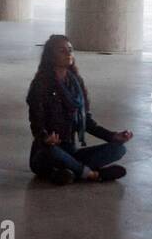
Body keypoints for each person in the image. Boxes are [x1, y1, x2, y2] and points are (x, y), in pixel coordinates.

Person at [26, 34, 133, 184]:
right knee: (53, 153)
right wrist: (46, 138)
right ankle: (93, 175)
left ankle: (68, 173)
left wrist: (113, 136)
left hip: (70, 151)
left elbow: (87, 122)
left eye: (70, 49)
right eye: (62, 51)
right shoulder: (41, 84)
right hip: (47, 152)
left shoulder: (76, 83)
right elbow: (36, 123)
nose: (68, 53)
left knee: (118, 149)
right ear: (51, 56)